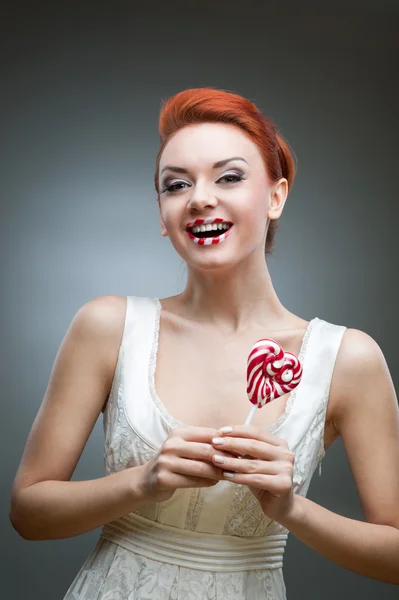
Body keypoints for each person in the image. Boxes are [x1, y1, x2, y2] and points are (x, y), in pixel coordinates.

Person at [9, 87, 399, 599]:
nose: (199, 198)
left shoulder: (346, 358)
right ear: (161, 213)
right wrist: (143, 481)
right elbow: (28, 514)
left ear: (276, 196)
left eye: (230, 177)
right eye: (176, 185)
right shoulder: (108, 327)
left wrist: (290, 509)